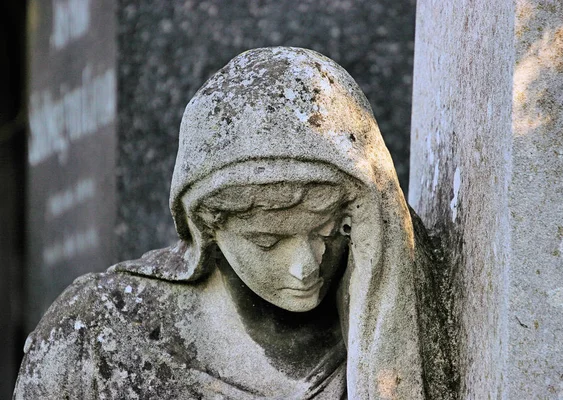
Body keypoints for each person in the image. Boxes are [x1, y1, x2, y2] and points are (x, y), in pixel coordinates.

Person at [14, 47, 454, 399]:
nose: (306, 267)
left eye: (326, 233)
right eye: (267, 242)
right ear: (208, 229)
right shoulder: (95, 334)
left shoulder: (392, 314)